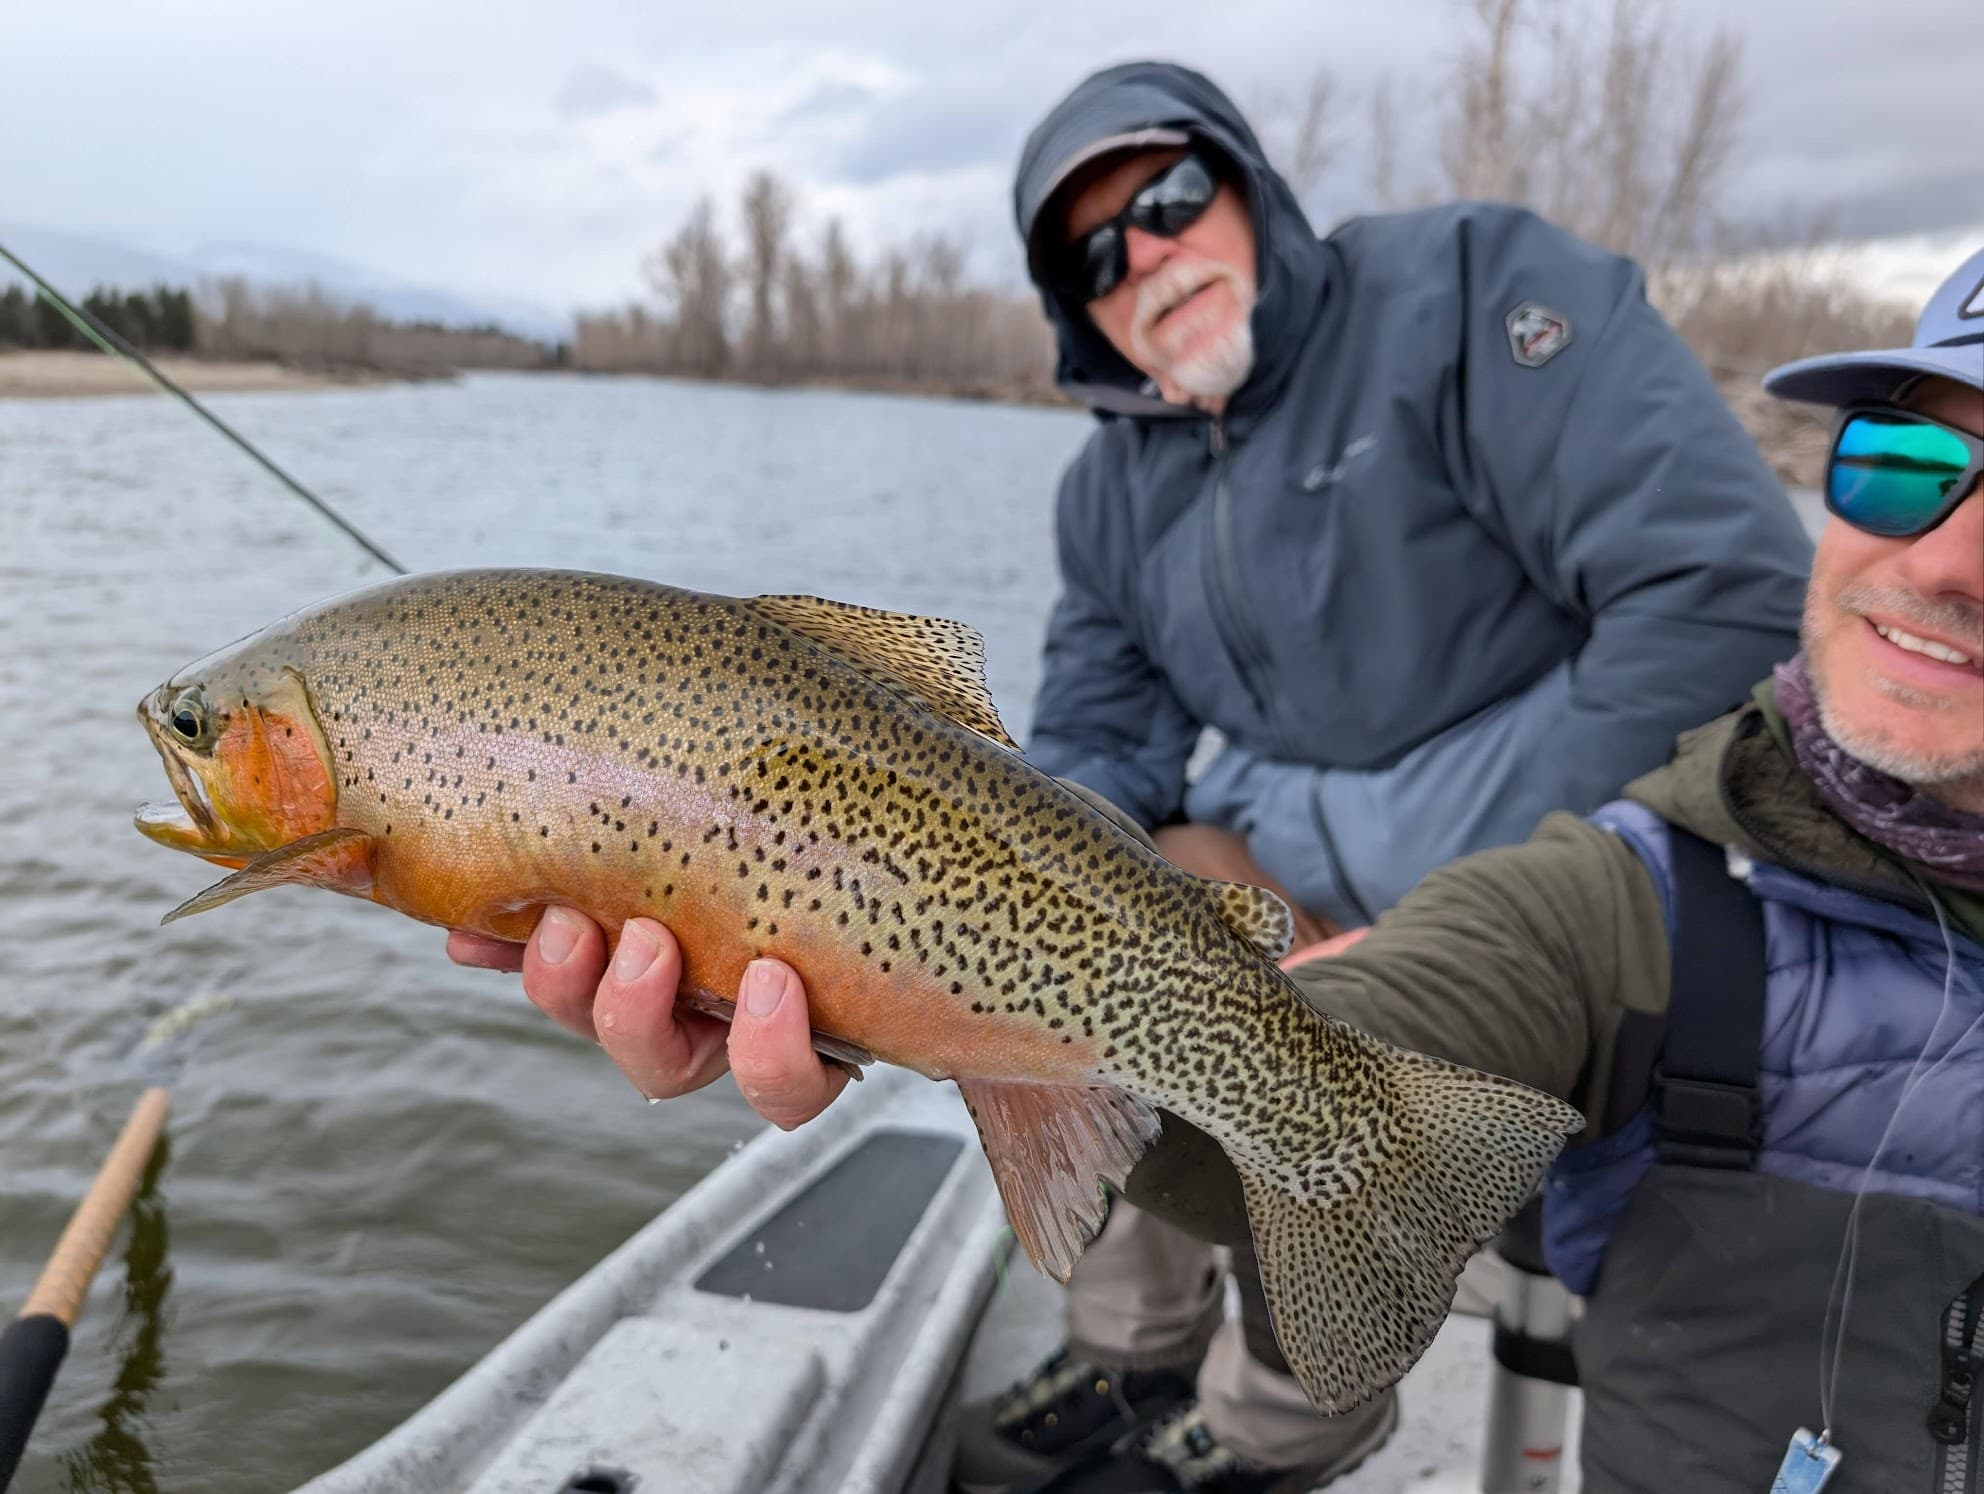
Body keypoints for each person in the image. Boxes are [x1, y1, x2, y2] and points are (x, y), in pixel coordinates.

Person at [453, 244, 1984, 1493]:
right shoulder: (1111, 490)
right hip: (1386, 911)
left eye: (1172, 197)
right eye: (1905, 463)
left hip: (1467, 845)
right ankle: (1135, 1353)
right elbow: (1096, 730)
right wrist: (952, 916)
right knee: (1169, 898)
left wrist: (1403, 849)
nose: (1942, 558)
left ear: (1247, 186)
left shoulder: (1463, 313)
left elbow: (1694, 591)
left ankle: (1275, 1425)